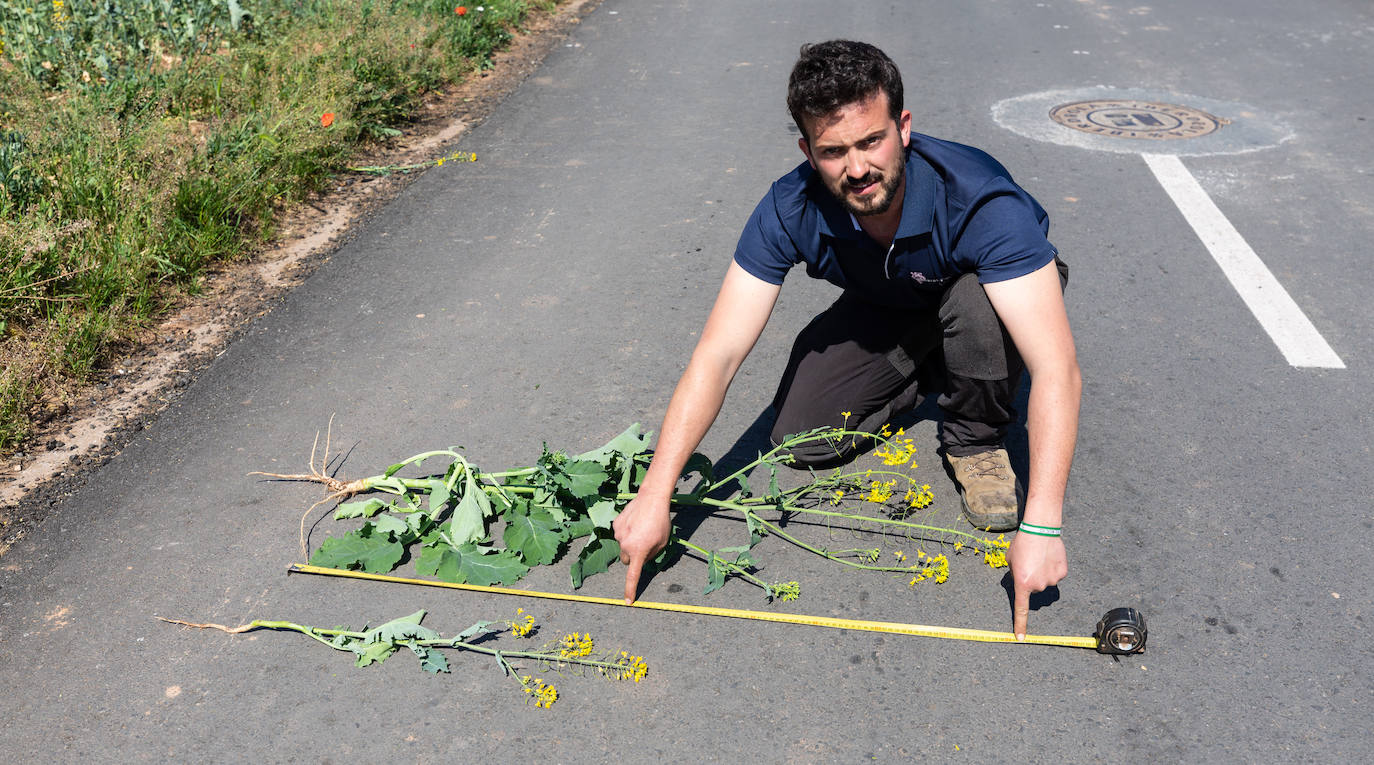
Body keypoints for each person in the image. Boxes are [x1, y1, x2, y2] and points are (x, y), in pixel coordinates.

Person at [612, 40, 1078, 640]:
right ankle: (935, 358)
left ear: (903, 128)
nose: (857, 169)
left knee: (976, 304)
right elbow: (719, 352)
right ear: (808, 151)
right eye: (833, 152)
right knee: (799, 440)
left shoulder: (981, 201)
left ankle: (974, 436)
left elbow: (1056, 366)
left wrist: (1042, 526)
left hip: (991, 291)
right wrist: (657, 493)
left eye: (871, 142)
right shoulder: (788, 207)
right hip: (890, 302)